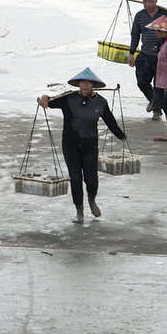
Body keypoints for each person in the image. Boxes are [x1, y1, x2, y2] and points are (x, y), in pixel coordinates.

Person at [38, 68, 127, 224]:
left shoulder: (101, 102)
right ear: (78, 84)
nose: (85, 85)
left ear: (93, 85)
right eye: (82, 82)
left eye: (88, 83)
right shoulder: (68, 98)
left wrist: (120, 134)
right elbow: (49, 101)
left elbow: (110, 120)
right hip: (70, 144)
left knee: (91, 179)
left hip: (90, 145)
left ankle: (92, 200)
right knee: (76, 177)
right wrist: (44, 98)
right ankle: (79, 211)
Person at [127, 0, 167, 120]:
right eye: (145, 2)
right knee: (142, 82)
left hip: (162, 56)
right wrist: (131, 53)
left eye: (150, 1)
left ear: (156, 1)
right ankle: (153, 101)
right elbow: (135, 35)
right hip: (145, 54)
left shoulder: (165, 15)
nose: (148, 4)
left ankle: (157, 110)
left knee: (158, 85)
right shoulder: (139, 16)